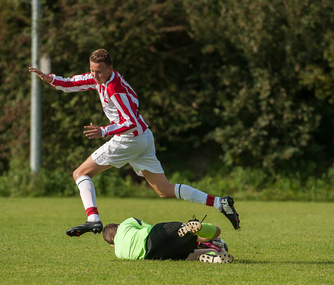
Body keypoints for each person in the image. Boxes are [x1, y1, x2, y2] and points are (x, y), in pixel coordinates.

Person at [29, 49, 240, 236]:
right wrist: (50, 79)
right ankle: (219, 203)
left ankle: (93, 219)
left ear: (110, 68)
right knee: (164, 190)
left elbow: (129, 122)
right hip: (144, 138)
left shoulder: (114, 88)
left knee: (80, 173)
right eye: (92, 70)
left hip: (129, 139)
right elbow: (72, 83)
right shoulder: (100, 79)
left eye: (99, 71)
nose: (94, 75)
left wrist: (103, 131)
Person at [102, 216, 234, 263]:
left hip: (154, 255)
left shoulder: (118, 253)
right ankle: (195, 228)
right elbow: (149, 227)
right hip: (155, 235)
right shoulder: (126, 223)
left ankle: (212, 257)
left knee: (190, 255)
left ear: (112, 245)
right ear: (118, 226)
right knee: (216, 231)